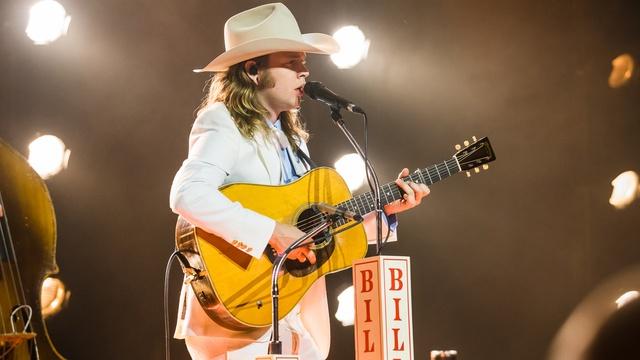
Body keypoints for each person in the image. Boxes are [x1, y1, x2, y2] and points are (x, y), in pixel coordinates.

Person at [169, 3, 430, 359]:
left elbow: (313, 229)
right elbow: (187, 194)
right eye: (292, 63)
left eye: (304, 63)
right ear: (252, 70)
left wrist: (385, 211)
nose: (305, 72)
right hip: (237, 316)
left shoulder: (293, 139)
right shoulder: (222, 121)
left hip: (290, 314)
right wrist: (272, 232)